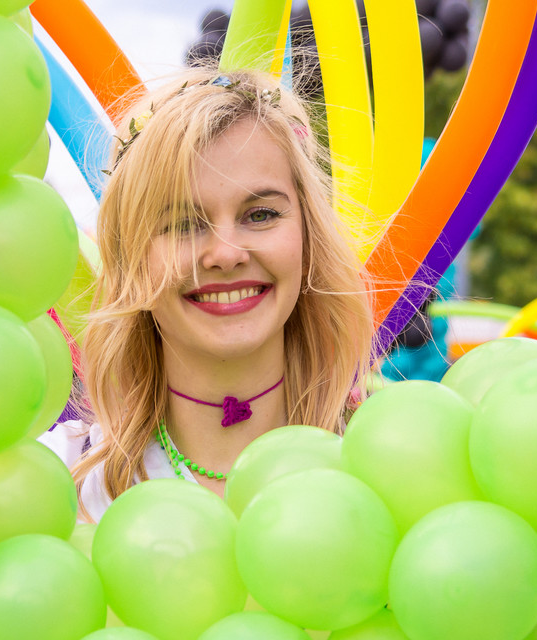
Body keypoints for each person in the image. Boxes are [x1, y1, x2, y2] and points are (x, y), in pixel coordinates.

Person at [40, 66, 377, 522]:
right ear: (131, 257)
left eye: (260, 214)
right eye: (183, 223)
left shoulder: (392, 464)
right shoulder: (52, 482)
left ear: (308, 238)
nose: (226, 254)